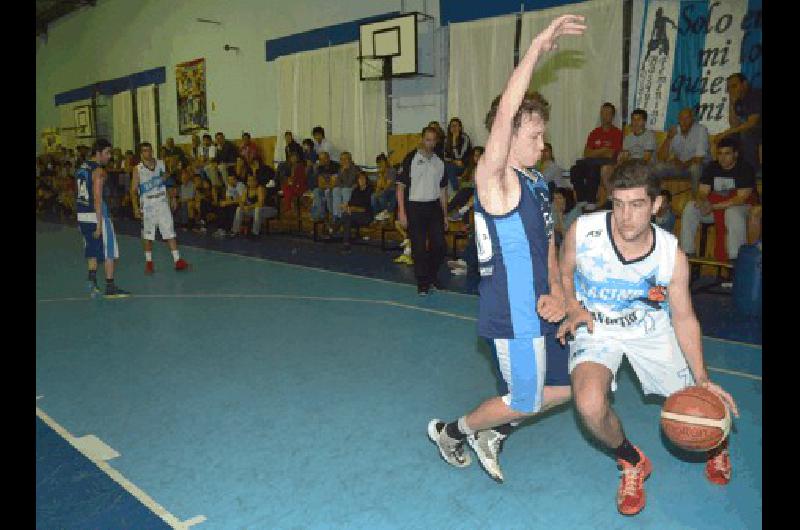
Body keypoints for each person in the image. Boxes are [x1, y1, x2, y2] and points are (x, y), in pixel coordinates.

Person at [427, 15, 586, 481]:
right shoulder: (494, 181)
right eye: (533, 135)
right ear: (508, 134)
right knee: (523, 399)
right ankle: (453, 432)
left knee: (571, 385)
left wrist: (560, 292)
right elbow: (505, 112)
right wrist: (537, 47)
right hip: (513, 314)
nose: (542, 143)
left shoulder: (537, 183)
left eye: (542, 134)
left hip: (544, 307)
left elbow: (551, 242)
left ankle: (491, 433)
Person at [557, 159, 739, 516]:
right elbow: (564, 275)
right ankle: (631, 461)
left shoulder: (671, 254)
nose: (626, 216)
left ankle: (716, 443)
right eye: (619, 204)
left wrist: (702, 378)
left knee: (696, 403)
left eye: (637, 205)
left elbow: (684, 316)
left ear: (656, 205)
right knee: (589, 403)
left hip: (649, 331)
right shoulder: (584, 231)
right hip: (597, 328)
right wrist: (573, 306)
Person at [679, 137, 758, 261]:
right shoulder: (712, 167)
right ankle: (687, 254)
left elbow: (740, 199)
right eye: (720, 154)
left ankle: (735, 258)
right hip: (715, 207)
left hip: (743, 209)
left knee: (732, 213)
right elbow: (702, 192)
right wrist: (702, 202)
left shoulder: (745, 168)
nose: (722, 157)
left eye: (727, 153)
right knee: (691, 207)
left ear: (735, 154)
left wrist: (713, 206)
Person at [75, 138, 131, 298]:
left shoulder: (81, 168)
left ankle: (92, 281)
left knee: (91, 248)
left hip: (83, 214)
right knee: (110, 250)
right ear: (98, 153)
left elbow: (79, 195)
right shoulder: (99, 172)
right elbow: (97, 199)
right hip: (96, 214)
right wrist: (100, 224)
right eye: (107, 153)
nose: (109, 156)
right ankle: (110, 286)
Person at [396, 126, 449, 295]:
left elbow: (443, 190)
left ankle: (431, 275)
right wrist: (402, 212)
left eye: (433, 140)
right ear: (422, 138)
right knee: (418, 248)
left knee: (440, 245)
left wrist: (445, 215)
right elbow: (400, 188)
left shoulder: (439, 161)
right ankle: (422, 282)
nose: (430, 143)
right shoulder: (410, 158)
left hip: (434, 207)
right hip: (415, 206)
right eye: (427, 139)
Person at [130, 142, 190, 274]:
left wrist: (173, 197)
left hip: (162, 201)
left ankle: (177, 260)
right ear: (141, 154)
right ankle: (149, 262)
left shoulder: (161, 164)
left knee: (169, 231)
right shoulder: (138, 169)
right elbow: (133, 190)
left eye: (150, 150)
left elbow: (168, 182)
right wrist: (135, 207)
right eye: (145, 151)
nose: (148, 153)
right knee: (148, 235)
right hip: (148, 204)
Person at [599, 108, 656, 207]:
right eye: (633, 119)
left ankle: (630, 201)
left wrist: (627, 161)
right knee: (606, 169)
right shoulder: (628, 137)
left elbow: (646, 159)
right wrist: (620, 160)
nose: (635, 122)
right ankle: (611, 197)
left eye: (639, 119)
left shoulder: (649, 136)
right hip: (629, 165)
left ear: (644, 122)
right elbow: (624, 156)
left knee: (632, 171)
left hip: (644, 166)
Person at [571, 103, 623, 207]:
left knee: (592, 168)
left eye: (608, 113)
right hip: (592, 161)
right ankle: (582, 200)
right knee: (575, 169)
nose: (605, 116)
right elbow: (586, 153)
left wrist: (595, 152)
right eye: (603, 113)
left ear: (612, 116)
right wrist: (603, 149)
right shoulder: (595, 132)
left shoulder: (617, 133)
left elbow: (611, 153)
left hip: (608, 164)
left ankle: (591, 201)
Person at [655, 107, 711, 196]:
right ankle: (657, 199)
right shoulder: (675, 131)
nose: (684, 121)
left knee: (695, 168)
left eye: (687, 118)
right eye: (681, 118)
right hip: (680, 167)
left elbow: (699, 159)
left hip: (699, 167)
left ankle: (695, 200)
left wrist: (682, 163)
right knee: (658, 167)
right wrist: (668, 138)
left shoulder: (701, 130)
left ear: (692, 119)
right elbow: (661, 157)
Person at [713, 73, 761, 172]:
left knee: (745, 134)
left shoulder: (755, 96)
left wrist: (726, 132)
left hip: (757, 130)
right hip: (754, 131)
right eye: (729, 88)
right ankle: (730, 170)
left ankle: (751, 170)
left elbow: (752, 123)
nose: (731, 90)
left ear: (745, 84)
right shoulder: (739, 100)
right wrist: (731, 102)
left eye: (734, 86)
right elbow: (734, 125)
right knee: (728, 138)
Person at [447, 146, 484, 222]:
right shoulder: (471, 167)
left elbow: (480, 184)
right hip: (469, 190)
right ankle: (464, 221)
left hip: (478, 191)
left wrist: (467, 184)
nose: (477, 158)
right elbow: (463, 180)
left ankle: (448, 211)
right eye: (475, 155)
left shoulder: (485, 168)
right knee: (463, 194)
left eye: (479, 155)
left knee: (464, 192)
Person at [232, 174, 276, 238]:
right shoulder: (246, 190)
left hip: (270, 210)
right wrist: (242, 206)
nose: (250, 182)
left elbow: (261, 203)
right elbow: (241, 201)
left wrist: (249, 207)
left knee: (258, 209)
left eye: (252, 180)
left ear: (256, 182)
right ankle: (235, 231)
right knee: (239, 209)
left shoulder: (260, 188)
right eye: (249, 181)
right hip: (256, 210)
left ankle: (255, 233)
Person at [341, 171, 374, 253]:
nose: (361, 180)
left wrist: (353, 209)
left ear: (366, 179)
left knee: (347, 216)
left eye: (363, 178)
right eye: (360, 179)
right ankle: (346, 242)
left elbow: (366, 208)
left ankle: (336, 230)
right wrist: (345, 207)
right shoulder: (355, 190)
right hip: (354, 215)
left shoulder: (369, 190)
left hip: (366, 215)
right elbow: (350, 203)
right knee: (346, 215)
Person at [443, 117, 473, 192]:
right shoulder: (446, 139)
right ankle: (455, 190)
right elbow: (445, 157)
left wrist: (454, 142)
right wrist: (454, 161)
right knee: (447, 167)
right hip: (453, 165)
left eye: (456, 126)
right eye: (452, 126)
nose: (454, 128)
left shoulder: (465, 138)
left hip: (464, 165)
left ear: (460, 127)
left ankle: (457, 191)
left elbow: (460, 157)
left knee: (449, 167)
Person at [214, 172, 247, 237]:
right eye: (229, 180)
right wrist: (226, 203)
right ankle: (221, 229)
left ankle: (226, 229)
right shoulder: (229, 186)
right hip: (234, 203)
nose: (230, 181)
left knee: (229, 208)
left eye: (232, 179)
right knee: (221, 207)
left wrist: (227, 202)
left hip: (243, 204)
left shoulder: (240, 185)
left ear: (236, 180)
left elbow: (242, 200)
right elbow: (228, 198)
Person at [372, 153, 397, 222]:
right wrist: (376, 192)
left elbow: (387, 186)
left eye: (382, 162)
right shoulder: (379, 172)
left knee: (381, 195)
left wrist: (380, 192)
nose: (380, 164)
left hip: (392, 191)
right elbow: (378, 186)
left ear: (386, 162)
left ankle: (385, 215)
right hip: (384, 191)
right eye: (379, 163)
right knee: (373, 197)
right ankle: (377, 215)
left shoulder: (392, 170)